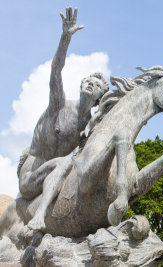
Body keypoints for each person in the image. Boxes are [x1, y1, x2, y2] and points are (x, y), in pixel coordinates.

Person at [17, 7, 109, 230]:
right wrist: (65, 38)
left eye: (97, 86)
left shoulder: (90, 126)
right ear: (80, 84)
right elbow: (55, 71)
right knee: (64, 161)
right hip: (31, 177)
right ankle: (40, 216)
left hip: (57, 179)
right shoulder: (59, 105)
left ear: (99, 98)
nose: (91, 84)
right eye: (88, 81)